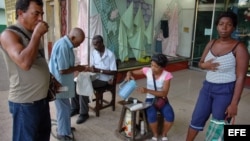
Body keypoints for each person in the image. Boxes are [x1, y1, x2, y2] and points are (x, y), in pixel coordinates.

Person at [186, 11, 249, 141]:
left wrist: (234, 103)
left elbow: (241, 78)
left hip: (225, 91)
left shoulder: (239, 47)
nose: (224, 28)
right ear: (217, 26)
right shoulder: (211, 43)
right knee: (196, 118)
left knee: (220, 123)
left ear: (234, 27)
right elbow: (200, 63)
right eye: (221, 24)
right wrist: (205, 66)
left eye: (228, 25)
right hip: (207, 88)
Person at [0, 0, 51, 141]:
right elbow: (25, 63)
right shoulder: (9, 35)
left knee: (42, 137)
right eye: (36, 14)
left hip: (41, 100)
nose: (40, 18)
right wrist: (36, 35)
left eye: (42, 14)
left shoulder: (32, 33)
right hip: (25, 103)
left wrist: (51, 78)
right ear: (20, 13)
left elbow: (38, 61)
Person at [125, 54, 175, 141]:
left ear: (162, 67)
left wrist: (147, 90)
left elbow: (164, 93)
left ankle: (164, 133)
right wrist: (128, 74)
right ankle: (155, 134)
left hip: (161, 100)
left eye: (155, 66)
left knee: (170, 116)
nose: (152, 68)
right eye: (151, 65)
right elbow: (131, 72)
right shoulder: (147, 70)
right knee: (152, 115)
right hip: (150, 99)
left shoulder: (167, 75)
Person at [49, 27, 86, 140]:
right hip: (59, 83)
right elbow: (62, 70)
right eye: (78, 43)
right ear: (73, 37)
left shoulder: (66, 44)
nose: (79, 45)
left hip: (62, 82)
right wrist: (78, 68)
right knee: (63, 108)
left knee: (65, 107)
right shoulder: (64, 46)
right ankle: (62, 133)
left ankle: (64, 128)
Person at [70, 35, 117, 124]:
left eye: (96, 44)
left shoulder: (110, 55)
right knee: (76, 82)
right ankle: (75, 108)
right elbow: (93, 67)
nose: (94, 46)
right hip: (95, 76)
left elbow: (113, 72)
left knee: (83, 85)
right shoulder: (94, 52)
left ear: (101, 43)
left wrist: (99, 70)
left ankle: (84, 113)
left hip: (104, 79)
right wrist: (88, 69)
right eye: (93, 44)